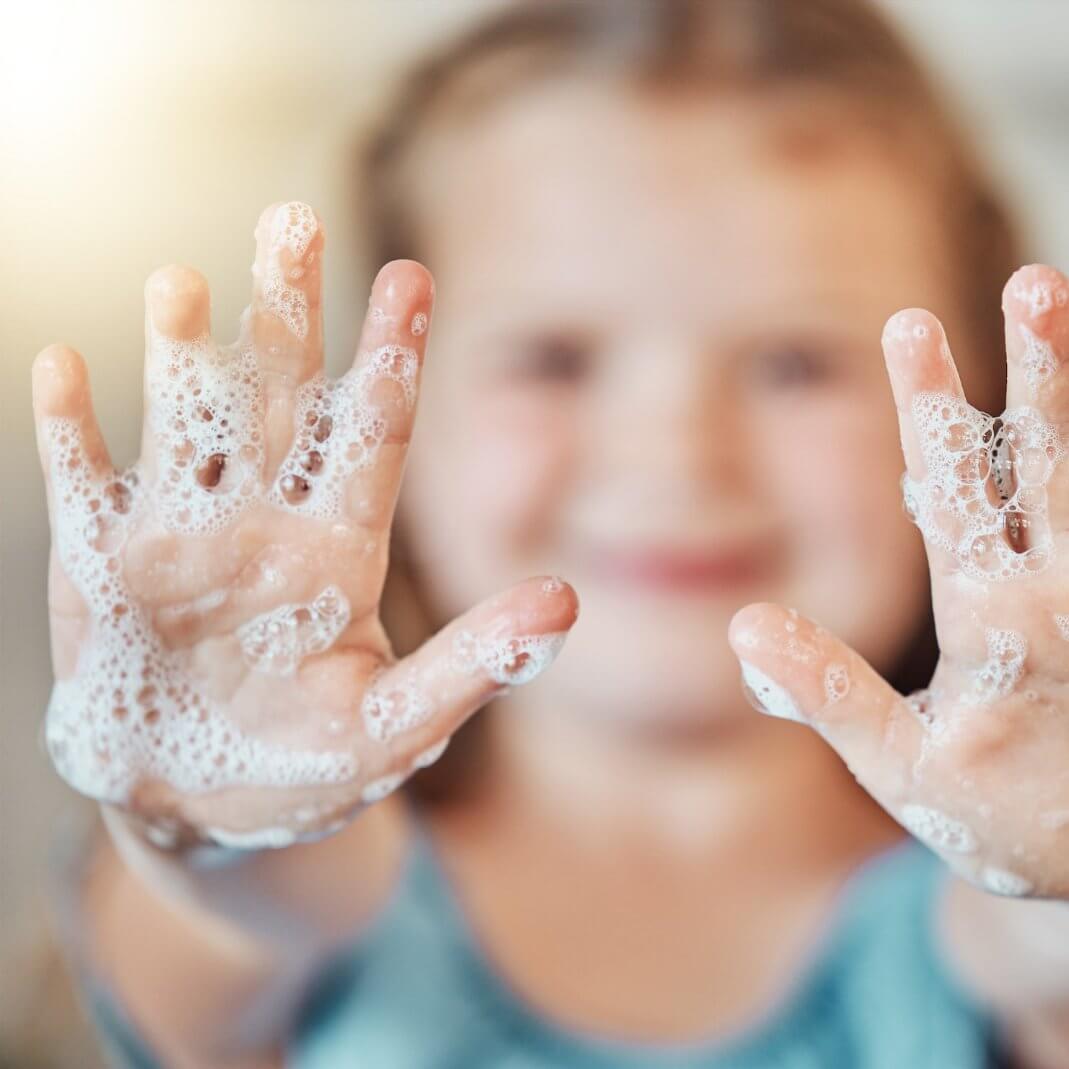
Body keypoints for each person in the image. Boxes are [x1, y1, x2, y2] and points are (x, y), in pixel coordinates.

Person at [31, 1, 1069, 1065]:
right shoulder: (302, 900)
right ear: (386, 424)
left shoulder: (1001, 918)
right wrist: (217, 828)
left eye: (797, 362)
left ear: (979, 412)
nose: (675, 451)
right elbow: (245, 910)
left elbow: (1036, 941)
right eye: (552, 358)